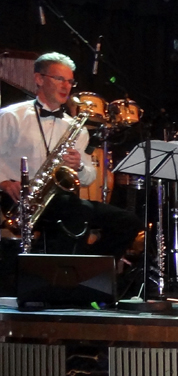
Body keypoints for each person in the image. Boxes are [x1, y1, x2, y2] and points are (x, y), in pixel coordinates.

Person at [0, 52, 140, 259]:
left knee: (128, 221)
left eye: (70, 81)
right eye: (59, 79)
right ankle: (58, 270)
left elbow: (89, 177)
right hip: (17, 200)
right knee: (76, 210)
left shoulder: (76, 128)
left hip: (59, 200)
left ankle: (88, 269)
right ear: (39, 79)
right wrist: (4, 182)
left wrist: (79, 166)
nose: (66, 86)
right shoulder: (11, 116)